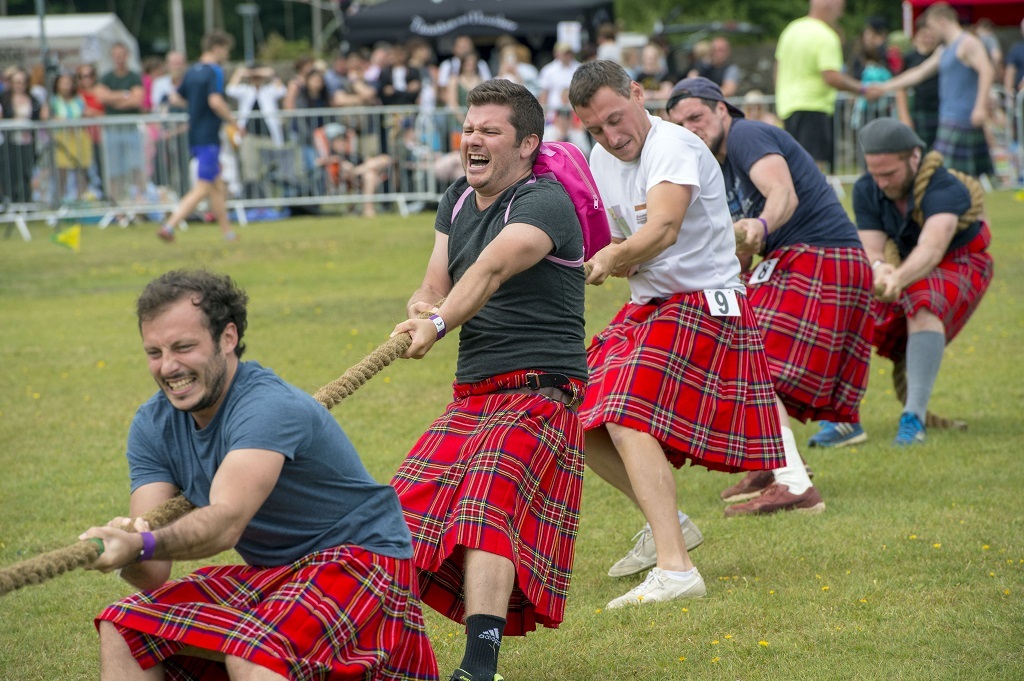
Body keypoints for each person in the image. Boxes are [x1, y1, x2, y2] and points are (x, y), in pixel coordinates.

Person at [77, 269, 438, 680]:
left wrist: (139, 544)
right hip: (276, 575)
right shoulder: (153, 426)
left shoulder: (266, 406)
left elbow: (226, 522)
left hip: (362, 561)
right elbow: (153, 571)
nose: (168, 367)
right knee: (124, 626)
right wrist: (129, 550)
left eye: (183, 347)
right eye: (154, 352)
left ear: (227, 338)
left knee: (255, 649)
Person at [389, 78, 588, 681]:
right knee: (394, 519)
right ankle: (381, 653)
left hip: (539, 390)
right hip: (474, 394)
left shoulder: (544, 202)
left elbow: (491, 269)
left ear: (526, 143)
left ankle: (480, 669)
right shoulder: (456, 198)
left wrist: (442, 321)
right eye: (469, 128)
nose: (472, 139)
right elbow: (438, 279)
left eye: (489, 131)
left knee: (483, 506)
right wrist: (422, 308)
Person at [567, 61, 784, 606]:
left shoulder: (674, 146)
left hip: (707, 306)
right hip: (653, 307)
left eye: (617, 119)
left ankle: (676, 569)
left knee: (619, 411)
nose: (612, 138)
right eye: (596, 129)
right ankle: (671, 525)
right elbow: (608, 233)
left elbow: (661, 229)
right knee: (575, 408)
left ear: (639, 94)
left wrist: (613, 257)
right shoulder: (600, 157)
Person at [666, 78, 873, 512]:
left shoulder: (747, 134)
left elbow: (782, 195)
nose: (690, 129)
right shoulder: (715, 168)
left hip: (820, 257)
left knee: (748, 356)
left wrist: (759, 228)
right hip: (802, 260)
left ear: (723, 109)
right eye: (679, 124)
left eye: (696, 117)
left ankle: (794, 482)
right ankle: (771, 457)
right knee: (731, 347)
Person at [853, 117, 993, 444]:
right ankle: (842, 418)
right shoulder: (866, 188)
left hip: (960, 261)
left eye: (890, 174)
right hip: (905, 265)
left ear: (914, 157)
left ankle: (913, 418)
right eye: (876, 174)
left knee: (922, 303)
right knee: (847, 307)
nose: (882, 183)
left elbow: (932, 247)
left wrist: (897, 277)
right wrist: (879, 269)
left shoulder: (945, 187)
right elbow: (872, 247)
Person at [869, 2, 995, 178]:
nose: (930, 32)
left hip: (963, 119)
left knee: (954, 178)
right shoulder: (944, 50)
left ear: (942, 21)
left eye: (931, 26)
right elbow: (919, 72)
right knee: (950, 177)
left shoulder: (967, 43)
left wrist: (980, 107)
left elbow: (986, 70)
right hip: (948, 118)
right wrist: (884, 87)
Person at [156, 31, 241, 243]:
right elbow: (215, 101)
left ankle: (227, 232)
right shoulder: (215, 71)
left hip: (194, 135)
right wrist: (234, 122)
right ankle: (169, 226)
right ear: (218, 47)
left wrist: (195, 107)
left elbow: (176, 97)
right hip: (208, 137)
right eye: (226, 50)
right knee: (203, 187)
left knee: (217, 186)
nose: (226, 55)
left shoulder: (192, 71)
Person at [774, 0, 867, 173]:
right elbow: (831, 77)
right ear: (829, 5)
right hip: (814, 107)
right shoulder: (826, 36)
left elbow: (777, 69)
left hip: (787, 107)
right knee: (814, 169)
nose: (841, 13)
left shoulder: (791, 30)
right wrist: (862, 89)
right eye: (841, 7)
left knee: (794, 166)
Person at [97, 42, 146, 201]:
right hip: (112, 130)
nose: (119, 58)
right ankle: (116, 202)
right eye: (116, 55)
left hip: (131, 129)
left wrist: (113, 99)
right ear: (112, 57)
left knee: (137, 166)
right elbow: (101, 97)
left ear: (127, 56)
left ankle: (140, 201)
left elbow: (136, 100)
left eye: (121, 55)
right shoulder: (106, 77)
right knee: (114, 169)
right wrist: (125, 94)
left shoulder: (134, 76)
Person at [897, 18, 942, 150]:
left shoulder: (942, 55)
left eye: (932, 36)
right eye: (925, 35)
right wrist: (904, 116)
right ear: (917, 36)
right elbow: (901, 87)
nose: (928, 39)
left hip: (942, 110)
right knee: (921, 151)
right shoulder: (910, 57)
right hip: (920, 110)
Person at [538, 43, 581, 115]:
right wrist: (544, 113)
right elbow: (544, 93)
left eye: (568, 53)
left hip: (574, 112)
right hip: (554, 112)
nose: (567, 56)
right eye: (564, 53)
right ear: (557, 54)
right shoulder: (548, 70)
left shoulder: (579, 68)